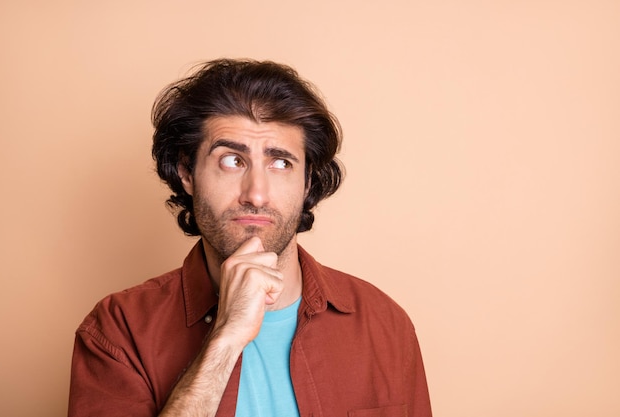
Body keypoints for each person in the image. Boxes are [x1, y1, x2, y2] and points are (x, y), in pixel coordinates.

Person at [68, 58, 432, 417]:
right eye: (231, 160)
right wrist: (225, 338)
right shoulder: (117, 331)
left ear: (307, 182)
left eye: (281, 163)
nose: (256, 194)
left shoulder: (385, 323)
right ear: (186, 173)